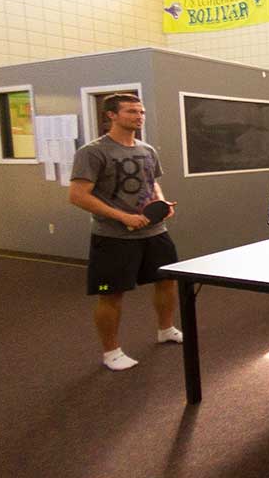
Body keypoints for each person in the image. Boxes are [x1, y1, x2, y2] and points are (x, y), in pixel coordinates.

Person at [68, 94, 181, 372]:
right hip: (113, 237)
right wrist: (123, 217)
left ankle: (165, 329)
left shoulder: (147, 150)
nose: (138, 116)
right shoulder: (93, 152)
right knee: (111, 294)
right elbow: (78, 195)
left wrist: (161, 204)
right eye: (131, 111)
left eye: (141, 111)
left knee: (167, 281)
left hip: (155, 232)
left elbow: (152, 183)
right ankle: (111, 351)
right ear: (111, 115)